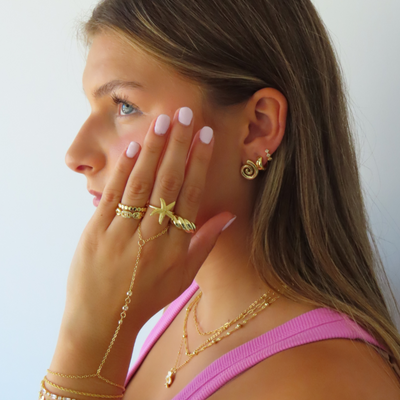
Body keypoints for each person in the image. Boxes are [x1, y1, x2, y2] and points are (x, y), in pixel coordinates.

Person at [40, 0, 400, 399]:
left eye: (126, 106)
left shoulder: (321, 383)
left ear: (257, 127)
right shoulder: (182, 299)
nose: (76, 155)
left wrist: (85, 339)